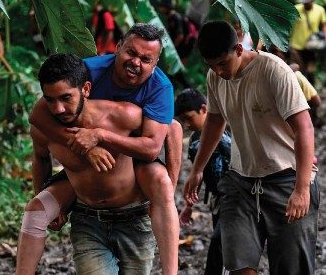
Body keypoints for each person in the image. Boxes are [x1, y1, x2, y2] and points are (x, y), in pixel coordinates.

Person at [17, 24, 181, 275]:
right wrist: (84, 147)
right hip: (84, 176)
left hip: (131, 160)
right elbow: (38, 115)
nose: (135, 62)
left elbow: (164, 138)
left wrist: (99, 136)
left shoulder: (158, 90)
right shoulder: (87, 71)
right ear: (118, 48)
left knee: (161, 181)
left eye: (145, 59)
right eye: (130, 53)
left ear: (155, 63)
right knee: (36, 209)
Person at [183, 20, 319, 275]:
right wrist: (197, 169)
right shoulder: (215, 77)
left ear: (238, 49)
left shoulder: (273, 70)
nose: (219, 72)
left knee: (292, 267)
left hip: (287, 177)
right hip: (241, 181)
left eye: (223, 64)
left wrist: (301, 189)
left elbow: (305, 128)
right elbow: (214, 120)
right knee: (237, 263)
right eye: (212, 66)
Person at [175, 88, 231, 275]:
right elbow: (197, 176)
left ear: (204, 109)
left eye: (189, 117)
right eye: (183, 120)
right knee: (224, 243)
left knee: (220, 242)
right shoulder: (194, 142)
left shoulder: (228, 129)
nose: (187, 124)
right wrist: (189, 205)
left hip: (237, 195)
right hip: (218, 198)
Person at [289, 0, 326, 85]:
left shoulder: (320, 10)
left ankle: (312, 91)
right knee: (298, 69)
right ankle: (299, 91)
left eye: (307, 2)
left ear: (312, 1)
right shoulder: (296, 9)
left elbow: (324, 25)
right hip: (296, 45)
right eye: (304, 2)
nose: (305, 4)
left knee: (310, 71)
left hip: (312, 45)